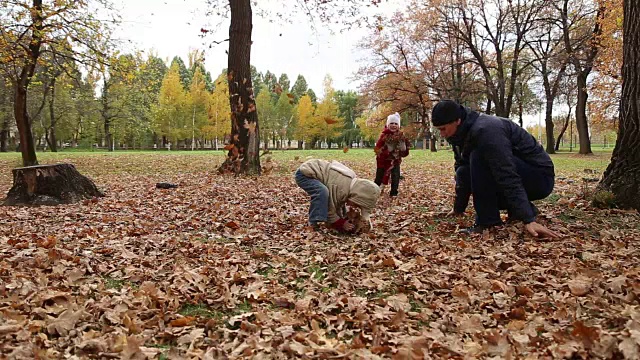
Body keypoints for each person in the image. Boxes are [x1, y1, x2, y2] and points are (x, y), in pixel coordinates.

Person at [431, 99, 560, 239]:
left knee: (478, 156)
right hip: (517, 172)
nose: (442, 134)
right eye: (439, 130)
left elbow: (506, 173)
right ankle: (519, 209)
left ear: (457, 120)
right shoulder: (459, 136)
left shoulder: (486, 131)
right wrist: (458, 208)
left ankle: (488, 222)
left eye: (443, 129)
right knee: (464, 169)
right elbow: (462, 170)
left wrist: (528, 219)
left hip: (539, 177)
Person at [295, 159, 381, 233]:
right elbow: (330, 206)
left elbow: (338, 204)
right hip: (305, 174)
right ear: (356, 196)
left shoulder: (349, 187)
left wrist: (342, 219)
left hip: (321, 174)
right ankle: (313, 222)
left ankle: (331, 220)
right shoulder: (341, 188)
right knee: (322, 192)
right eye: (357, 205)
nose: (354, 207)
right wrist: (340, 223)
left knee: (331, 196)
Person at [374, 112, 411, 197]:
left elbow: (404, 152)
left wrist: (404, 149)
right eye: (391, 123)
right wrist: (385, 151)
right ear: (388, 124)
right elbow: (377, 148)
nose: (393, 125)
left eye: (395, 123)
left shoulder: (401, 136)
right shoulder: (384, 136)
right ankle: (374, 190)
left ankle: (394, 193)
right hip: (383, 161)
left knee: (395, 177)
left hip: (395, 161)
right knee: (379, 177)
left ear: (398, 125)